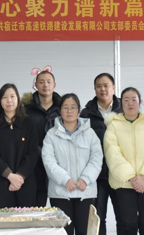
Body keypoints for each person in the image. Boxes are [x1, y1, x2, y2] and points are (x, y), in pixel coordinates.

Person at [103, 87, 144, 235]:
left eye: (134, 99)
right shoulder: (113, 126)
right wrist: (131, 177)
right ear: (121, 103)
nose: (130, 103)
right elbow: (112, 153)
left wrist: (143, 177)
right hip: (124, 183)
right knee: (128, 225)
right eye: (126, 100)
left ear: (139, 102)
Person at [43, 94, 102, 235]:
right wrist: (65, 179)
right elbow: (48, 160)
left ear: (79, 111)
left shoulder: (90, 133)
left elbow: (96, 158)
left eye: (73, 107)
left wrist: (85, 179)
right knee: (64, 232)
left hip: (85, 192)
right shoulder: (51, 134)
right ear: (60, 111)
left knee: (84, 231)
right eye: (65, 107)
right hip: (60, 193)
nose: (69, 111)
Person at [79, 73, 123, 235]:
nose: (102, 89)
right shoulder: (86, 114)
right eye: (99, 86)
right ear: (94, 89)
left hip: (120, 174)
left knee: (124, 218)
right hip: (96, 176)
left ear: (113, 88)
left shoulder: (124, 111)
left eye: (106, 86)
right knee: (97, 218)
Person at [0, 84, 39, 208]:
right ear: (0, 101)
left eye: (12, 96)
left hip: (24, 182)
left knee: (25, 218)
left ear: (18, 99)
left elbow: (32, 153)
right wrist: (9, 175)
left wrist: (19, 176)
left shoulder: (29, 124)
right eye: (4, 97)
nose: (9, 100)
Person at [23, 70, 62, 206]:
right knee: (36, 209)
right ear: (36, 85)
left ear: (54, 85)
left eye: (48, 82)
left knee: (60, 211)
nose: (45, 85)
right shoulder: (26, 110)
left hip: (58, 165)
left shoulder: (62, 109)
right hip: (35, 166)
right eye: (41, 82)